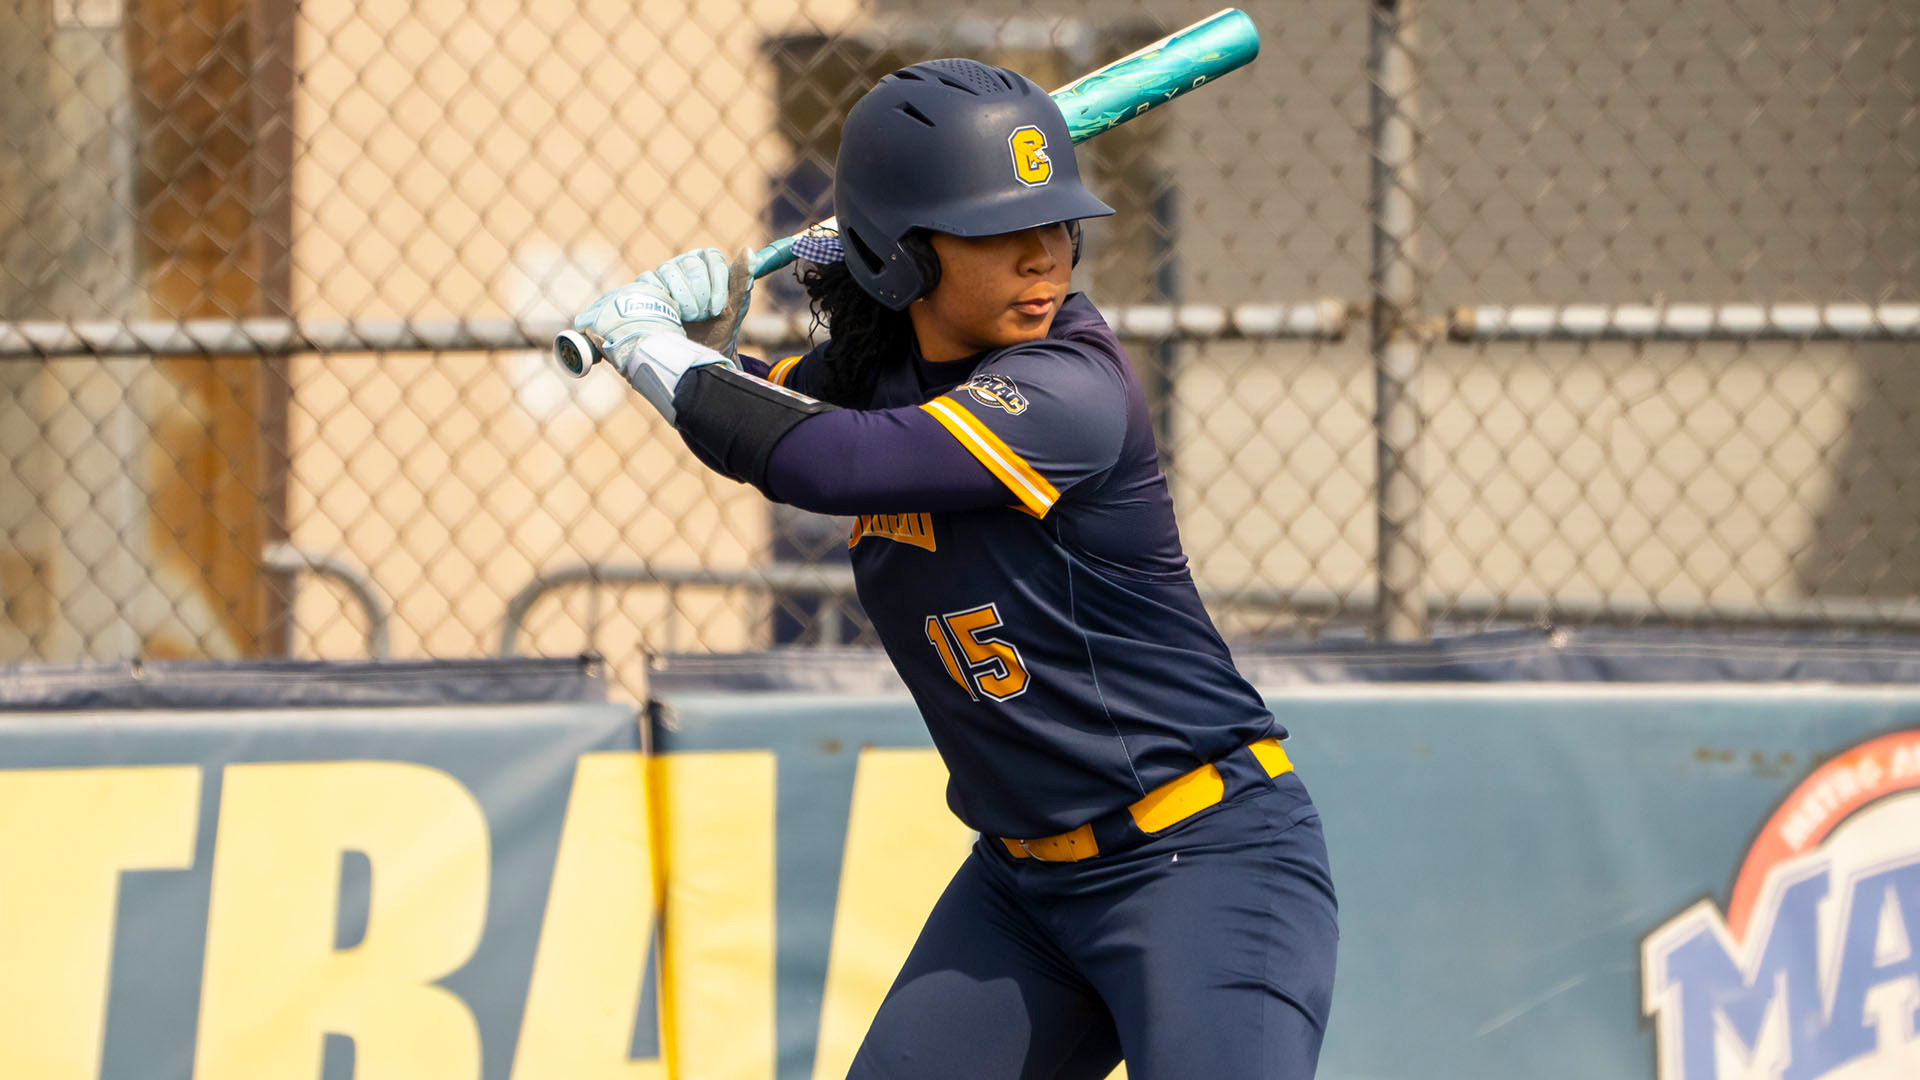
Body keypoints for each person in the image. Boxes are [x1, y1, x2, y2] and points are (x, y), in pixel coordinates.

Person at [573, 58, 1338, 1079]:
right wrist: (705, 354)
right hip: (1021, 896)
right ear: (902, 256)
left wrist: (648, 348)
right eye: (997, 230)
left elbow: (821, 460)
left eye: (1057, 223)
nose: (1044, 257)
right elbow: (771, 412)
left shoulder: (1072, 385)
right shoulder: (879, 380)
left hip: (1203, 863)